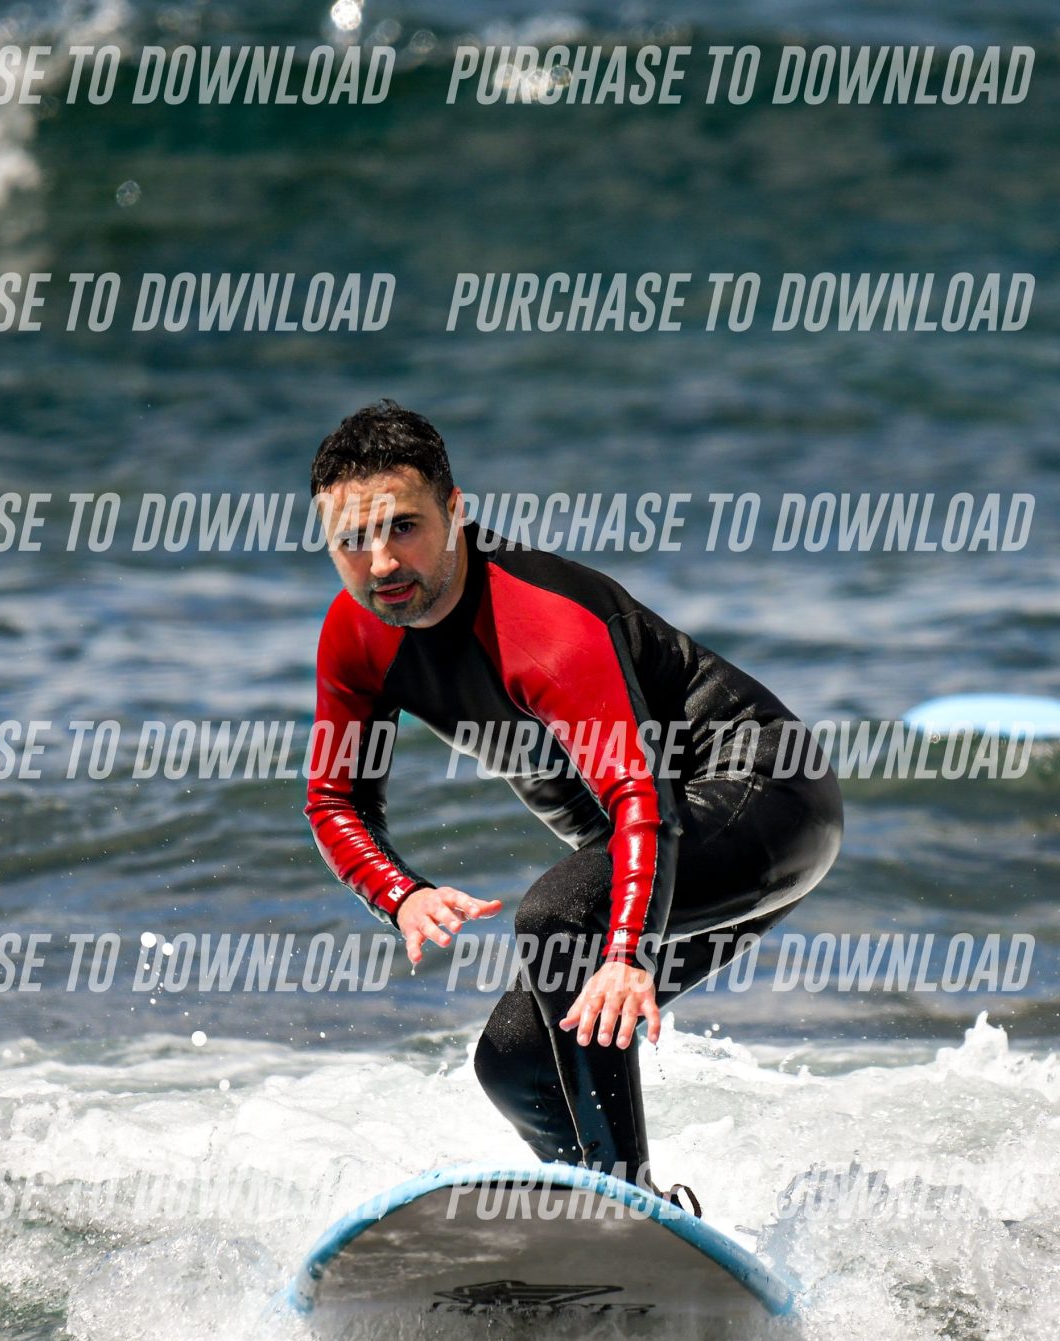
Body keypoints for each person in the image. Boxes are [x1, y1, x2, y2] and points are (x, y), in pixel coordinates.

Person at [302, 401, 841, 1199]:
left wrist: (625, 953)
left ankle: (633, 1203)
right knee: (515, 1061)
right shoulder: (357, 635)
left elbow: (639, 793)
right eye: (351, 539)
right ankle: (604, 1220)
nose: (380, 562)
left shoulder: (541, 621)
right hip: (648, 848)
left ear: (455, 511)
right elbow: (334, 799)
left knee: (559, 915)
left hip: (766, 799)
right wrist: (401, 893)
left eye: (403, 527)